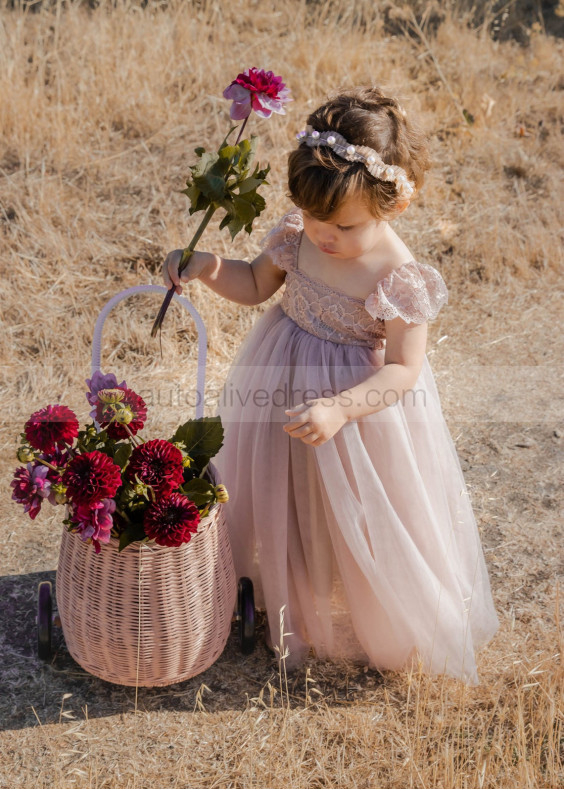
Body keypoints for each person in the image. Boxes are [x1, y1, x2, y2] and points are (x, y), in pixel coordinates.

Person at [162, 86, 500, 685]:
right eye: (316, 218)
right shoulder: (300, 231)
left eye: (343, 225)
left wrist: (343, 410)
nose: (324, 235)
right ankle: (296, 596)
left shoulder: (398, 274)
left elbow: (403, 369)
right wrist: (209, 267)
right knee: (286, 494)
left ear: (390, 202)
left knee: (359, 508)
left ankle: (373, 614)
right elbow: (256, 285)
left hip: (356, 409)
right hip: (281, 379)